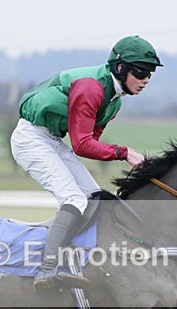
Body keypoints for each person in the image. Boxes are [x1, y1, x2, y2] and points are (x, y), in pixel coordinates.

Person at [10, 35, 163, 290]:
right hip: (30, 138)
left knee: (95, 198)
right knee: (74, 199)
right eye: (141, 71)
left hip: (51, 139)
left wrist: (123, 153)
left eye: (150, 73)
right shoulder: (91, 89)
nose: (146, 79)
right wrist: (125, 153)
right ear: (120, 68)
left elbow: (88, 143)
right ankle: (47, 270)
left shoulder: (114, 103)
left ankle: (75, 257)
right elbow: (81, 144)